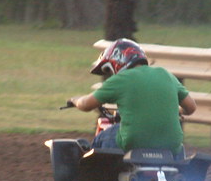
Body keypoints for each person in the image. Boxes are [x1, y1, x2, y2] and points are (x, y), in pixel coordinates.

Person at [69, 38, 197, 156]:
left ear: (116, 62)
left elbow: (86, 105)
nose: (111, 74)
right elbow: (191, 107)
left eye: (109, 70)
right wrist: (176, 111)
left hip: (134, 142)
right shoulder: (165, 74)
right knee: (179, 149)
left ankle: (99, 173)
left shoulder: (122, 79)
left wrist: (74, 100)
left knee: (102, 137)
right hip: (171, 145)